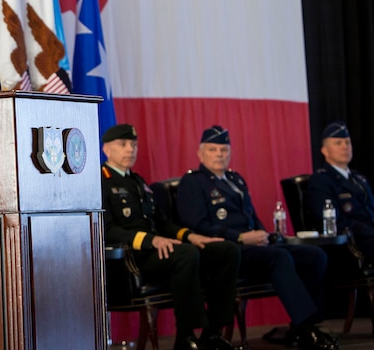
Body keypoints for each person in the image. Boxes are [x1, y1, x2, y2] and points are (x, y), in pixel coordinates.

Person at [176, 125, 339, 350]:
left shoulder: (236, 179)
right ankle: (306, 328)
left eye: (223, 150)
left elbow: (250, 217)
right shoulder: (193, 182)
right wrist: (241, 237)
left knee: (314, 256)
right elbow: (198, 225)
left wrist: (267, 235)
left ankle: (299, 326)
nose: (219, 155)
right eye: (213, 150)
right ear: (200, 153)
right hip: (227, 252)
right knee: (280, 259)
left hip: (255, 247)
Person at [101, 123, 240, 350]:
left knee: (226, 250)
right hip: (134, 256)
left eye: (134, 145)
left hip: (159, 249)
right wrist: (150, 240)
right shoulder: (101, 181)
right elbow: (106, 230)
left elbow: (162, 223)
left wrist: (191, 236)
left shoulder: (138, 182)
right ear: (107, 149)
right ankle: (185, 337)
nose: (130, 150)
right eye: (123, 145)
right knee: (185, 254)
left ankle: (213, 332)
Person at [306, 121, 374, 262]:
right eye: (338, 143)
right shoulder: (321, 181)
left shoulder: (359, 179)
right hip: (353, 241)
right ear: (325, 151)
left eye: (348, 143)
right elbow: (334, 222)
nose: (345, 147)